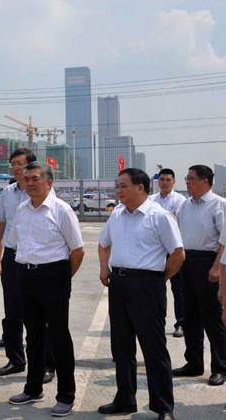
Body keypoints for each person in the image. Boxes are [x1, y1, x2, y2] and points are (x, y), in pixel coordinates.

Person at [97, 168, 183, 420]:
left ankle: (163, 407)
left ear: (140, 187)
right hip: (118, 284)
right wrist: (104, 268)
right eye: (117, 186)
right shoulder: (117, 214)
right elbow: (103, 243)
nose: (118, 191)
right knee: (121, 346)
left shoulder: (159, 216)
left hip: (147, 285)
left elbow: (178, 254)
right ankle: (125, 398)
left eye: (123, 186)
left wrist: (157, 279)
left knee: (153, 347)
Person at [8, 161, 85, 418]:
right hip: (25, 275)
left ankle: (66, 396)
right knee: (33, 336)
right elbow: (16, 244)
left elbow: (78, 250)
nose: (30, 183)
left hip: (54, 277)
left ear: (49, 182)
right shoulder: (22, 209)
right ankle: (33, 388)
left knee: (59, 337)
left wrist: (62, 278)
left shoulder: (62, 210)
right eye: (27, 178)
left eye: (35, 178)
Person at [0, 147, 56, 381]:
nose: (16, 168)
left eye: (20, 164)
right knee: (12, 312)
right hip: (12, 256)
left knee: (40, 314)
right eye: (13, 164)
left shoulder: (42, 191)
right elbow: (0, 222)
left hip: (37, 258)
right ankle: (16, 360)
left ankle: (47, 364)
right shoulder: (7, 192)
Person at [174, 165, 226, 387]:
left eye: (191, 178)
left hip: (208, 262)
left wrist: (216, 267)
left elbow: (224, 240)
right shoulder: (185, 205)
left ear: (205, 181)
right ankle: (194, 363)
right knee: (190, 316)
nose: (187, 182)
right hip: (187, 262)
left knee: (212, 317)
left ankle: (221, 367)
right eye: (186, 178)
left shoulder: (218, 204)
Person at [150, 168, 187, 338]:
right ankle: (157, 322)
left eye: (168, 180)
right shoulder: (151, 200)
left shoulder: (180, 200)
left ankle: (181, 323)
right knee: (155, 287)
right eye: (162, 179)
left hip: (174, 249)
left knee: (178, 289)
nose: (165, 183)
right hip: (156, 250)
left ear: (174, 182)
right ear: (158, 182)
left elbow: (176, 220)